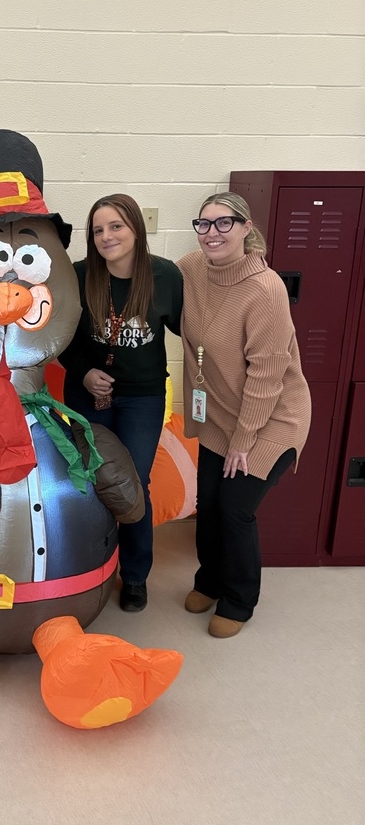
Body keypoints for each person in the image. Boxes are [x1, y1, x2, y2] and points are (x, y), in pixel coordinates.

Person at [178, 192, 311, 638]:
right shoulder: (191, 270)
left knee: (235, 507)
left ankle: (239, 601)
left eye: (224, 223)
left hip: (272, 417)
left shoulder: (265, 288)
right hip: (220, 413)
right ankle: (209, 581)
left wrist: (244, 440)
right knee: (208, 502)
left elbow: (267, 375)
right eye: (204, 224)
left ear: (246, 228)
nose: (212, 233)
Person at [59, 194, 183, 612]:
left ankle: (134, 576)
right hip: (86, 392)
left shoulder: (165, 276)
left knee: (134, 483)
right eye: (98, 230)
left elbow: (194, 331)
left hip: (142, 397)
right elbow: (61, 340)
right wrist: (83, 373)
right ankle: (86, 566)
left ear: (136, 229)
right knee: (87, 481)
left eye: (116, 226)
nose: (107, 236)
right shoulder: (79, 276)